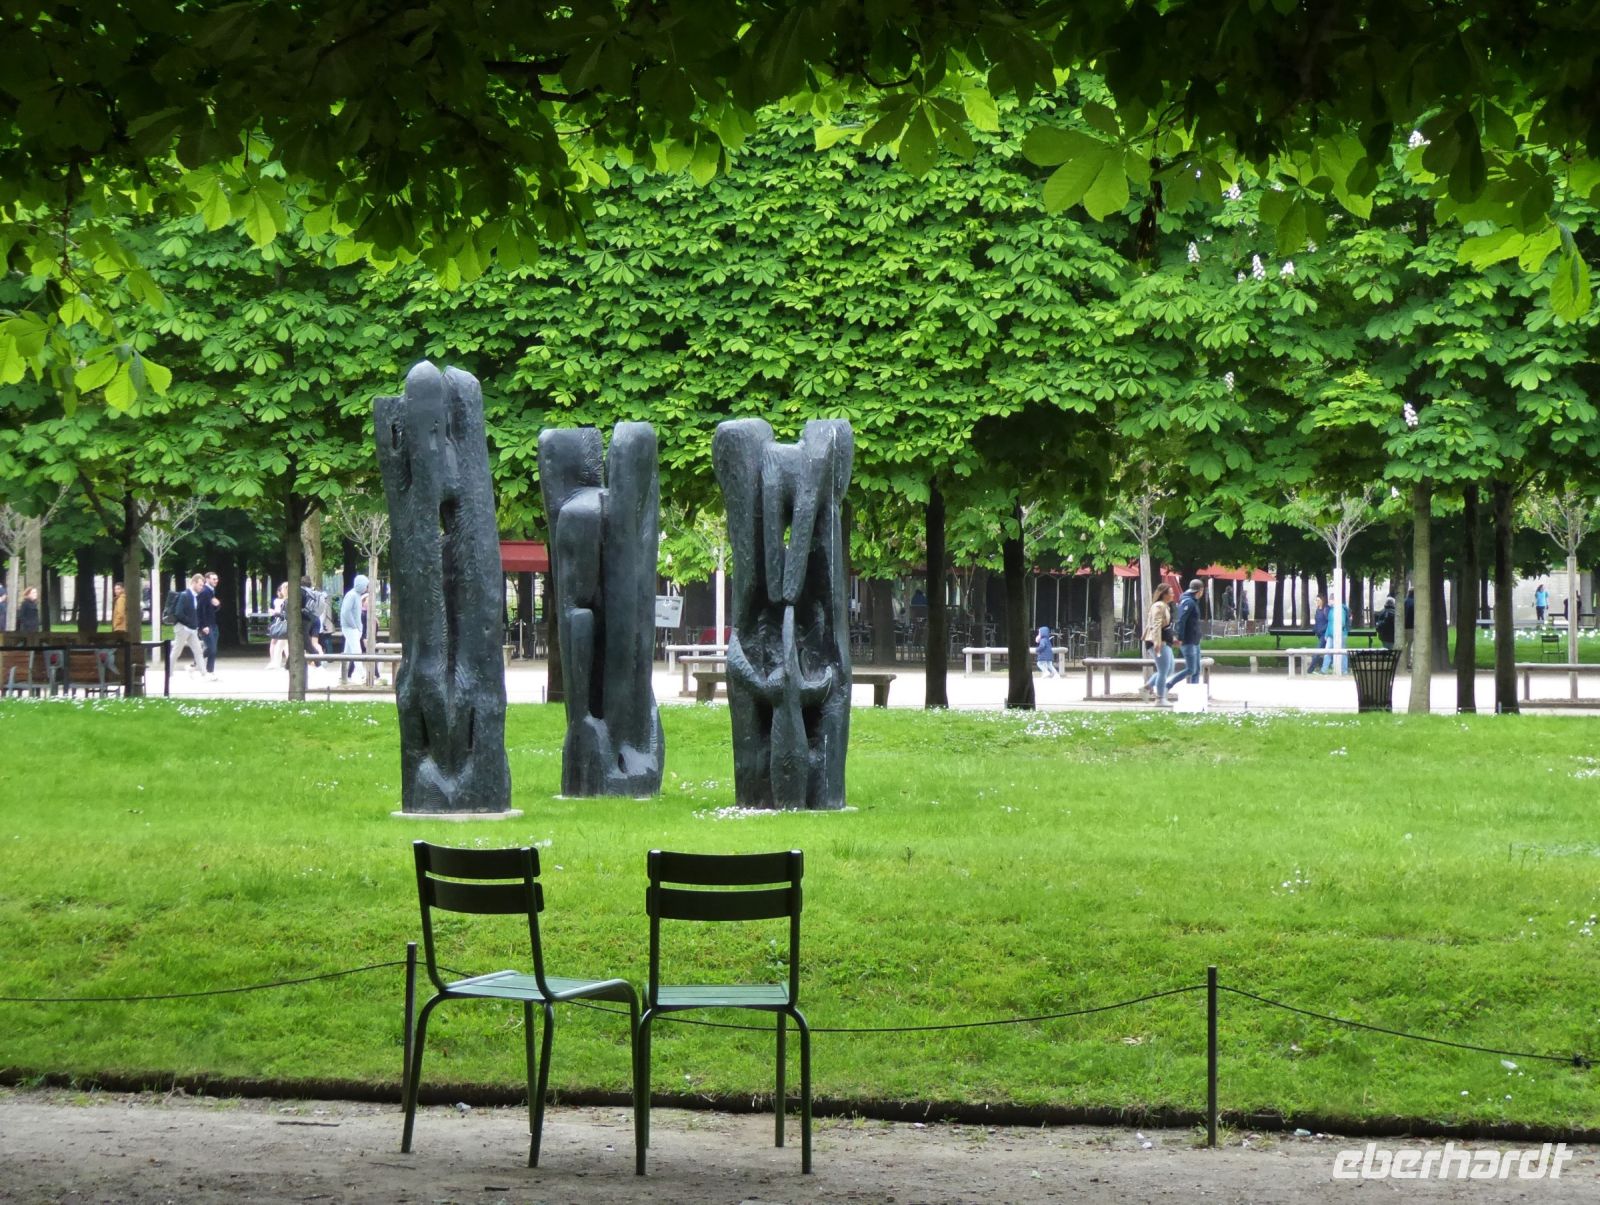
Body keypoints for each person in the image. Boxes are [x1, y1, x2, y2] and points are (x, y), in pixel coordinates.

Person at [1165, 579, 1205, 692]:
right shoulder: (1189, 602)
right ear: (1200, 590)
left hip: (1195, 640)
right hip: (1188, 640)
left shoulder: (1192, 601)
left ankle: (1194, 692)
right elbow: (1181, 620)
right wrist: (1180, 637)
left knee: (1196, 670)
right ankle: (1169, 684)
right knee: (1191, 669)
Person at [1142, 582, 1178, 705]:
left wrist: (1173, 638)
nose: (1173, 594)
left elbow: (1166, 626)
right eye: (1171, 592)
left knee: (1169, 670)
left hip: (1165, 641)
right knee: (1163, 671)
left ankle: (1147, 688)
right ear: (1164, 594)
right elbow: (1156, 625)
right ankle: (1160, 698)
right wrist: (1157, 643)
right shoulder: (1158, 606)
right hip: (1159, 642)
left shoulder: (1165, 606)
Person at [169, 573, 211, 676]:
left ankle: (204, 673)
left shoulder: (194, 596)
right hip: (183, 628)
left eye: (202, 585)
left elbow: (194, 613)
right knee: (177, 651)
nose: (201, 587)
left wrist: (196, 624)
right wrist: (190, 622)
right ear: (193, 583)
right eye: (200, 585)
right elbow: (178, 612)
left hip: (191, 629)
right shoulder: (184, 595)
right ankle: (169, 671)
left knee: (198, 651)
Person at [339, 574, 369, 680]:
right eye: (366, 585)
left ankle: (341, 674)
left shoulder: (356, 595)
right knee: (357, 651)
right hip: (350, 628)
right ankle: (362, 674)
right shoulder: (352, 595)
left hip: (353, 628)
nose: (366, 588)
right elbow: (346, 612)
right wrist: (354, 626)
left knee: (347, 652)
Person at [198, 570, 222, 674]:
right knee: (212, 649)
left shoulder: (210, 591)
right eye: (214, 579)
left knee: (213, 649)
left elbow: (210, 608)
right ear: (207, 579)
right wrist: (204, 626)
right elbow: (200, 610)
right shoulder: (205, 592)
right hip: (207, 625)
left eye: (217, 579)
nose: (216, 581)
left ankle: (209, 671)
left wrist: (217, 605)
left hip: (212, 624)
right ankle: (196, 664)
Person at [267, 581, 290, 668]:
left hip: (286, 625)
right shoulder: (286, 600)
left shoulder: (287, 601)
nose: (281, 590)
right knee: (282, 645)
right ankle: (283, 663)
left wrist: (275, 613)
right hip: (286, 624)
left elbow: (286, 615)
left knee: (282, 645)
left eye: (283, 589)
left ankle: (279, 663)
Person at [1312, 593, 1331, 672]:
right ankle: (1328, 667)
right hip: (1319, 635)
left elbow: (1329, 622)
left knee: (1318, 651)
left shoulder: (1326, 609)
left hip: (1325, 634)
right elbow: (1317, 621)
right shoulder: (1317, 610)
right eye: (1316, 600)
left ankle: (1310, 669)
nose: (1317, 602)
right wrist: (1315, 629)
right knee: (1326, 651)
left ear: (1322, 601)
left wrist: (1322, 629)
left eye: (1318, 600)